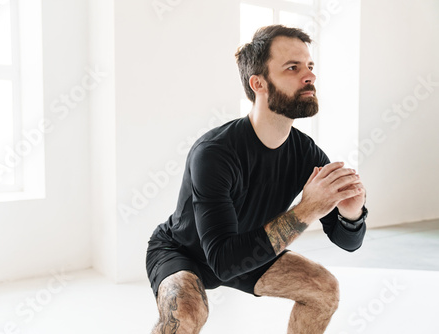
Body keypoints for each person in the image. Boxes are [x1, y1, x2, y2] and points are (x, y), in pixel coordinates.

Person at [146, 24, 368, 334]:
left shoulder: (306, 154)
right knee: (185, 313)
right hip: (185, 252)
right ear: (258, 83)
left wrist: (350, 211)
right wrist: (307, 209)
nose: (310, 76)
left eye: (310, 66)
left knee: (324, 290)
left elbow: (348, 242)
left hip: (250, 250)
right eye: (293, 67)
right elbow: (222, 261)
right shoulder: (213, 153)